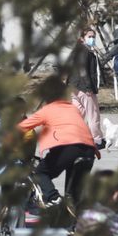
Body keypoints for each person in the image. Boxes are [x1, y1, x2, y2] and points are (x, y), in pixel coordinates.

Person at [19, 82, 99, 210]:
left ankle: (53, 198)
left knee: (40, 173)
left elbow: (22, 127)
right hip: (89, 150)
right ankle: (75, 226)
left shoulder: (47, 110)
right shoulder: (73, 109)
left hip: (68, 147)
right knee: (73, 196)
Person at [71, 31, 106, 147]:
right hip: (84, 88)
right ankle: (97, 140)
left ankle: (74, 138)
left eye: (93, 37)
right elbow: (83, 70)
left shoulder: (77, 50)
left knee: (78, 115)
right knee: (93, 115)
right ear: (82, 38)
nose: (92, 39)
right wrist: (88, 87)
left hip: (74, 88)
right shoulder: (85, 51)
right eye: (89, 36)